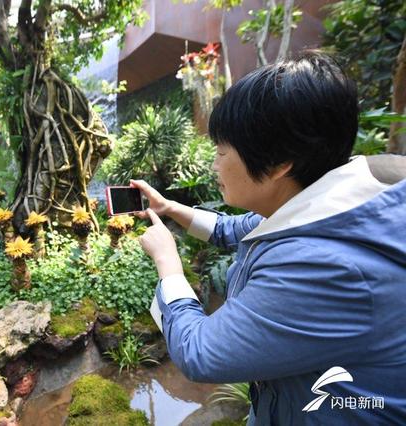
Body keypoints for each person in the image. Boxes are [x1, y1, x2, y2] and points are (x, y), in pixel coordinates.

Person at [133, 51, 406, 424]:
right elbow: (234, 229)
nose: (215, 162)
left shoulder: (320, 267)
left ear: (280, 163)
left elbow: (200, 353)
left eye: (222, 150)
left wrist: (168, 266)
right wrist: (170, 209)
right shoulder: (338, 199)